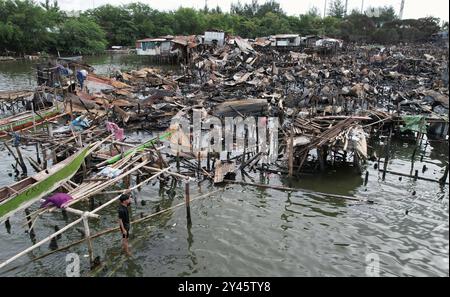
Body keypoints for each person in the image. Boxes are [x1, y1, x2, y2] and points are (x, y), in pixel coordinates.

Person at [118, 191, 132, 256]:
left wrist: (126, 192)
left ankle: (124, 247)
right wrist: (123, 229)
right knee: (125, 238)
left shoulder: (125, 205)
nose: (129, 200)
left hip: (126, 224)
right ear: (124, 201)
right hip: (124, 226)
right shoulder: (121, 210)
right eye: (128, 199)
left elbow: (123, 196)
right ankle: (127, 252)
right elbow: (120, 220)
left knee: (126, 237)